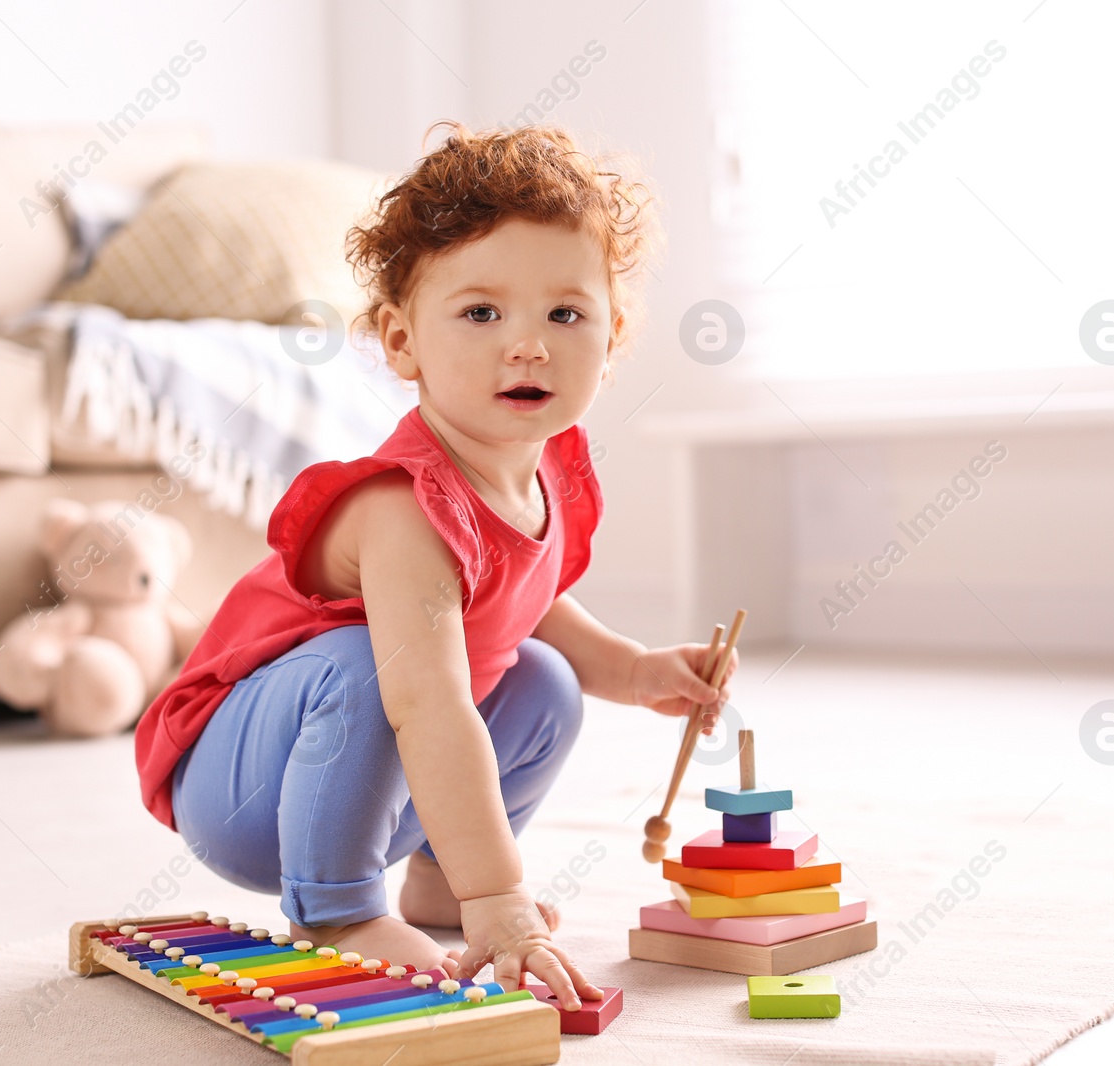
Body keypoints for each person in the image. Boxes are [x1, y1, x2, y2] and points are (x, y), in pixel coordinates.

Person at [134, 122, 737, 1010]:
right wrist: (505, 903)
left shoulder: (548, 474)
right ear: (401, 341)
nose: (527, 344)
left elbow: (524, 606)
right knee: (380, 667)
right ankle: (337, 911)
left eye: (564, 314)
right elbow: (427, 702)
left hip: (365, 779)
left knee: (547, 680)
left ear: (611, 343)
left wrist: (640, 670)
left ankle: (437, 883)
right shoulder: (404, 507)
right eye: (481, 312)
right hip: (244, 784)